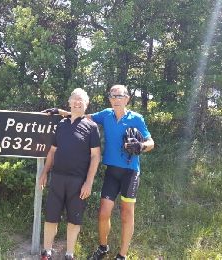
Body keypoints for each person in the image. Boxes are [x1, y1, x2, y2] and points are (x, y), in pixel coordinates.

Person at [54, 85, 154, 260]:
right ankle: (103, 247)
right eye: (113, 96)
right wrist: (60, 111)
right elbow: (82, 116)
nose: (116, 99)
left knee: (126, 213)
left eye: (120, 96)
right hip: (111, 172)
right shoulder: (106, 114)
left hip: (130, 173)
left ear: (127, 99)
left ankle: (122, 255)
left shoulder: (136, 118)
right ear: (110, 99)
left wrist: (142, 146)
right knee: (103, 213)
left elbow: (151, 142)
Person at [39, 88, 101, 260]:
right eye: (74, 99)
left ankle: (69, 254)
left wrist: (89, 182)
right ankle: (46, 252)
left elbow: (96, 156)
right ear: (69, 102)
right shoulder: (61, 124)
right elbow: (52, 152)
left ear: (86, 104)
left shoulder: (91, 127)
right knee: (51, 216)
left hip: (78, 182)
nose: (77, 102)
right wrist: (44, 173)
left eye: (81, 100)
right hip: (57, 178)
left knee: (74, 220)